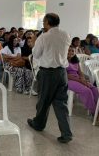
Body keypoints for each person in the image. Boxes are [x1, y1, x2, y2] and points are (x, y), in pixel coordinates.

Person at [27, 13, 73, 143]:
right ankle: (66, 133)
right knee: (61, 103)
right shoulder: (66, 34)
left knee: (43, 101)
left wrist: (35, 42)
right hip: (62, 73)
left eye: (43, 22)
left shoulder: (44, 37)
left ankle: (39, 124)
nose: (43, 24)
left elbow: (36, 54)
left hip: (48, 73)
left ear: (47, 22)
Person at [66, 47, 99, 127]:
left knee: (95, 89)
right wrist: (81, 81)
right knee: (86, 91)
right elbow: (65, 75)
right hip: (69, 80)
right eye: (69, 51)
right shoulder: (62, 61)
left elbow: (80, 73)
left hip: (79, 79)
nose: (71, 52)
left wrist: (83, 79)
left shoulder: (75, 61)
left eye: (72, 51)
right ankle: (95, 112)